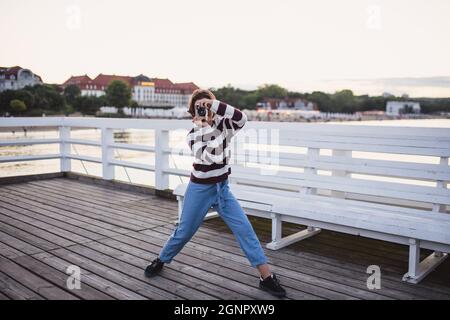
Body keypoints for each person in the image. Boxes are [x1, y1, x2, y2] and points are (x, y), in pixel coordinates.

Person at [144, 89, 286, 298]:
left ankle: (266, 277)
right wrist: (202, 125)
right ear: (193, 111)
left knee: (245, 229)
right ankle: (162, 259)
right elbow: (209, 155)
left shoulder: (224, 125)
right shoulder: (192, 135)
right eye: (199, 107)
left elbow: (242, 118)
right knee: (183, 233)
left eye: (207, 106)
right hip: (199, 190)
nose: (204, 110)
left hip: (222, 189)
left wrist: (214, 104)